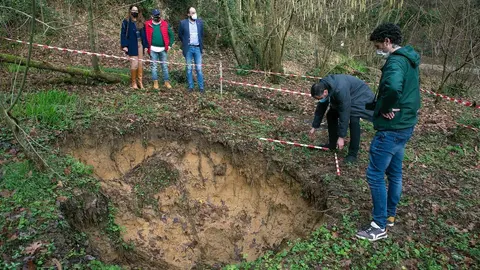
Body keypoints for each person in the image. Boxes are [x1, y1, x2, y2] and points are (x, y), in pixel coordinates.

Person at [355, 23, 421, 241]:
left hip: (391, 129)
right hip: (405, 126)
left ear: (387, 42)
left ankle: (378, 225)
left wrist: (384, 108)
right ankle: (390, 216)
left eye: (377, 45)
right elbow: (403, 91)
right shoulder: (410, 61)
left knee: (374, 174)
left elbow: (393, 88)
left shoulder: (395, 62)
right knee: (394, 173)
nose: (377, 50)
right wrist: (380, 103)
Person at [309, 74, 375, 164]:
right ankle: (332, 144)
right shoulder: (323, 85)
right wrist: (314, 126)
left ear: (325, 92)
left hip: (360, 96)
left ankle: (352, 154)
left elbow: (345, 112)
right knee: (331, 115)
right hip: (348, 95)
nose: (319, 100)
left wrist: (341, 137)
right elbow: (321, 105)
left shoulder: (340, 89)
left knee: (353, 119)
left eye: (319, 98)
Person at [145, 9, 175, 90]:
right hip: (152, 49)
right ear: (152, 16)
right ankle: (155, 82)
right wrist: (145, 46)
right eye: (155, 15)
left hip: (163, 49)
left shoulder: (164, 24)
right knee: (154, 66)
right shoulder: (147, 24)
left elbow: (171, 35)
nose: (157, 17)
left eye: (158, 15)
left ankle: (166, 82)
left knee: (164, 66)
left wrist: (169, 45)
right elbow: (144, 35)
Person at [120, 5, 148, 89]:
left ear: (139, 12)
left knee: (140, 64)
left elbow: (145, 35)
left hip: (140, 45)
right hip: (132, 44)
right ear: (130, 11)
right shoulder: (126, 22)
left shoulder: (141, 22)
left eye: (136, 11)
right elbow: (123, 34)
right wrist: (124, 45)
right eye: (133, 10)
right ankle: (133, 83)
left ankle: (140, 82)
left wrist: (146, 46)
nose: (134, 12)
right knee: (134, 63)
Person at [178, 7, 205, 93]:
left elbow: (202, 34)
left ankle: (201, 87)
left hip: (197, 48)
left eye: (195, 12)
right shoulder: (183, 23)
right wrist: (185, 42)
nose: (194, 14)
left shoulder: (200, 22)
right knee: (189, 68)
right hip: (188, 48)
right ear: (188, 14)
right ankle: (191, 86)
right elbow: (180, 35)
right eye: (192, 13)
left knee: (199, 68)